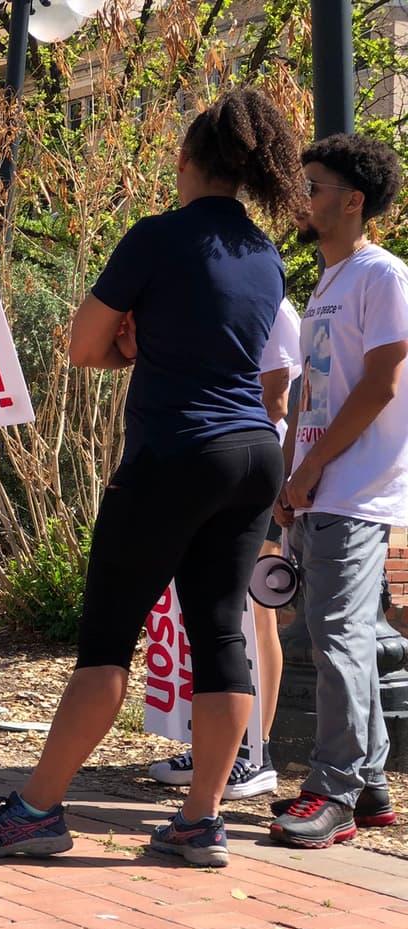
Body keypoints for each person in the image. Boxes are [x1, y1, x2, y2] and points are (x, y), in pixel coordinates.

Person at [0, 88, 302, 868]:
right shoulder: (263, 253)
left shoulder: (156, 238)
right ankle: (201, 820)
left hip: (177, 449)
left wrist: (129, 346)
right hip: (253, 453)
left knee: (106, 641)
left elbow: (82, 346)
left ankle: (36, 810)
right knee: (218, 629)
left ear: (186, 163)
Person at [268, 132, 408, 849]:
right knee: (334, 635)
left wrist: (315, 471)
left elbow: (383, 383)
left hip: (354, 488)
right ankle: (372, 785)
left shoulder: (383, 276)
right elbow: (311, 392)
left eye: (314, 186)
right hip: (319, 485)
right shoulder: (327, 281)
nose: (304, 196)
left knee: (339, 637)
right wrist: (292, 474)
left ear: (354, 201)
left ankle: (336, 792)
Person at [148, 297, 302, 799]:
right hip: (205, 472)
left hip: (255, 473)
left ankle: (257, 751)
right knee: (212, 611)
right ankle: (215, 744)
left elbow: (280, 398)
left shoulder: (273, 303)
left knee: (255, 613)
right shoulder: (203, 300)